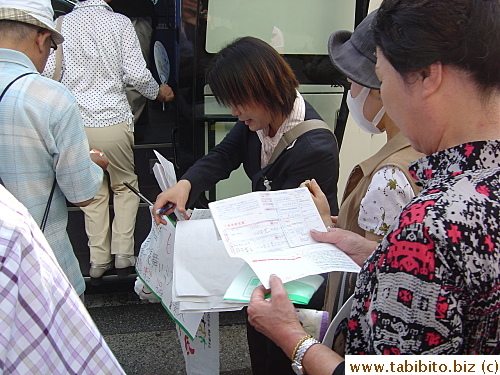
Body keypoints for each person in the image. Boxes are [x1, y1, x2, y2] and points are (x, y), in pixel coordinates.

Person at [248, 0, 499, 372]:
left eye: (382, 77)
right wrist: (378, 255)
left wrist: (291, 337)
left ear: (428, 77)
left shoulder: (430, 227)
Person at [153, 36, 340, 375]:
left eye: (238, 102)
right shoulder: (259, 120)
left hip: (298, 279)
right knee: (260, 346)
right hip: (267, 269)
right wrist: (185, 185)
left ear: (264, 89)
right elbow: (224, 155)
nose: (234, 113)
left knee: (285, 358)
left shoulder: (313, 146)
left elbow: (285, 227)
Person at [43, 0, 175, 284]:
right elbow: (137, 75)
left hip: (75, 124)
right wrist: (158, 93)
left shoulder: (60, 25)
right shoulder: (120, 23)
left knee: (93, 190)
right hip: (113, 119)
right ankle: (125, 256)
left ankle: (97, 261)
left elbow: (46, 73)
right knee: (124, 186)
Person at [304, 10, 423, 318]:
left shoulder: (389, 176)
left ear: (383, 88)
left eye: (354, 83)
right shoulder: (428, 148)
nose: (351, 94)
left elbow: (370, 273)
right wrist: (332, 221)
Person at [0, 0, 107, 299]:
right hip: (40, 272)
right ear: (41, 38)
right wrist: (95, 163)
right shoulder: (50, 96)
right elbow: (81, 193)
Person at [0, 184, 125, 375]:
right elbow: (81, 191)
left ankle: (99, 261)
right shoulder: (10, 220)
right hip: (47, 251)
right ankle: (122, 253)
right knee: (122, 187)